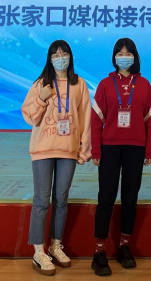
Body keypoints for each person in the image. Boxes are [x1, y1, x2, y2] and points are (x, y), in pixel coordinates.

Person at [22, 40, 92, 276]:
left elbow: (86, 119)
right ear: (50, 59)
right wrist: (41, 98)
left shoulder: (79, 84)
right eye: (56, 54)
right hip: (43, 150)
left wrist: (84, 150)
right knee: (42, 200)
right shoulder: (41, 83)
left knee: (61, 199)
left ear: (70, 56)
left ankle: (56, 245)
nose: (60, 58)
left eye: (64, 53)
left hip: (68, 150)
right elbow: (29, 117)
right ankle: (38, 251)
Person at [90, 38, 151, 276]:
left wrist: (148, 150)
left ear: (135, 56)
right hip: (109, 148)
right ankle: (99, 252)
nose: (124, 57)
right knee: (106, 197)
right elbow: (96, 120)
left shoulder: (145, 85)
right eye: (120, 53)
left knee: (130, 197)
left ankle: (124, 247)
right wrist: (96, 150)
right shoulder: (105, 84)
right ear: (114, 57)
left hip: (135, 148)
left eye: (128, 53)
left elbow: (150, 121)